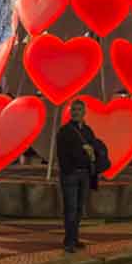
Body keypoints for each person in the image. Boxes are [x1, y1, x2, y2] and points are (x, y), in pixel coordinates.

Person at [56, 99, 99, 253]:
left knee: (79, 208)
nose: (75, 112)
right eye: (73, 110)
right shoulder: (65, 131)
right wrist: (81, 154)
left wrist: (92, 152)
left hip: (84, 174)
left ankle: (74, 237)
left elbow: (95, 147)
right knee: (71, 208)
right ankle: (69, 241)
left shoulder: (88, 131)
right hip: (71, 175)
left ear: (84, 112)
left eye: (79, 110)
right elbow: (61, 154)